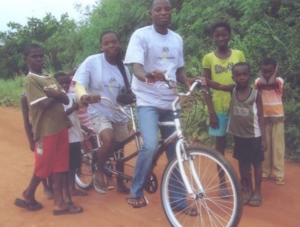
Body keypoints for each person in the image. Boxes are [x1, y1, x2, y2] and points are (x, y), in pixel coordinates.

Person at [123, 0, 198, 215]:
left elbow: (179, 70)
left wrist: (188, 80)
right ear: (151, 14)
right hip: (147, 100)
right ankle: (136, 191)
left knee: (176, 151)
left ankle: (178, 200)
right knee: (150, 145)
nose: (164, 12)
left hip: (170, 101)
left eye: (167, 9)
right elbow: (136, 66)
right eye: (158, 9)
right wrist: (147, 76)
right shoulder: (141, 35)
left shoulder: (177, 39)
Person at [14, 43, 83, 215]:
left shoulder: (49, 76)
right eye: (34, 56)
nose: (39, 59)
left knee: (61, 166)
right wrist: (57, 94)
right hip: (46, 130)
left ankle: (59, 203)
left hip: (61, 126)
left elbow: (66, 100)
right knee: (43, 166)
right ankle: (29, 193)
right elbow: (44, 104)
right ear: (26, 59)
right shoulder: (31, 80)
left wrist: (57, 95)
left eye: (41, 56)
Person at [73, 30, 131, 194]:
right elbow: (79, 84)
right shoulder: (92, 62)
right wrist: (84, 96)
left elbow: (128, 91)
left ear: (119, 44)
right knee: (109, 139)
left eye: (114, 42)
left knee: (120, 147)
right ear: (101, 46)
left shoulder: (124, 68)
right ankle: (99, 171)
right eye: (106, 43)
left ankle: (120, 182)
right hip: (99, 111)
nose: (111, 45)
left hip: (119, 112)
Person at [202, 62, 267, 207]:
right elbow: (218, 86)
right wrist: (204, 80)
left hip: (254, 136)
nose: (242, 77)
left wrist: (264, 139)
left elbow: (261, 116)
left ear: (250, 76)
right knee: (243, 165)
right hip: (239, 136)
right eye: (238, 75)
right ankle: (247, 190)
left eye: (245, 74)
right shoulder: (233, 90)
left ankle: (257, 192)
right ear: (233, 77)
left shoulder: (256, 95)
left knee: (256, 164)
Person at [202, 21, 246, 198]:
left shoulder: (238, 54)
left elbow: (244, 78)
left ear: (229, 35)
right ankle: (222, 184)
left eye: (224, 34)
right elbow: (205, 86)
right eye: (217, 35)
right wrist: (211, 112)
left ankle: (245, 183)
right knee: (220, 147)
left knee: (242, 146)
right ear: (213, 37)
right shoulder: (208, 58)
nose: (221, 38)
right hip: (218, 108)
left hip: (239, 106)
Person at [54, 72, 88, 196]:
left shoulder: (73, 96)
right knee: (64, 166)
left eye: (66, 83)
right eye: (60, 83)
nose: (64, 85)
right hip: (63, 138)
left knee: (74, 164)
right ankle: (65, 190)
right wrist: (73, 108)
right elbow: (60, 116)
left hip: (74, 136)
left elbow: (84, 99)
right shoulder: (54, 100)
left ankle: (72, 188)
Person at [254, 58, 285, 185]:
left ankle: (279, 174)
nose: (267, 74)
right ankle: (265, 172)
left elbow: (271, 82)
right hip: (263, 119)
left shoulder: (279, 81)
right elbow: (261, 83)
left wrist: (274, 73)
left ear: (276, 70)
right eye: (264, 72)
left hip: (278, 118)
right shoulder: (258, 82)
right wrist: (262, 74)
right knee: (265, 147)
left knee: (278, 148)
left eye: (270, 72)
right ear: (261, 71)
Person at [21, 92, 54, 199]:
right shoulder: (25, 97)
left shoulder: (45, 91)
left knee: (52, 159)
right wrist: (30, 140)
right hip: (37, 132)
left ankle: (51, 186)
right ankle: (46, 187)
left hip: (51, 129)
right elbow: (26, 120)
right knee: (41, 160)